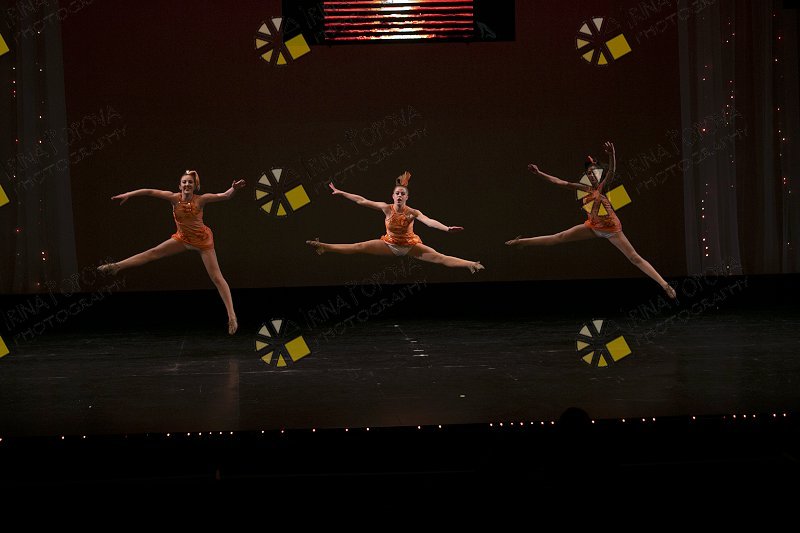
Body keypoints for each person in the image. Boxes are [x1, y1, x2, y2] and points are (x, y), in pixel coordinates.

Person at [506, 142, 676, 299]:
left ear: (599, 174)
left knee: (634, 257)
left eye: (594, 172)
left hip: (612, 230)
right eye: (589, 173)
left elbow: (612, 172)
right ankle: (522, 242)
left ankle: (665, 285)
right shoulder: (584, 188)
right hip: (593, 226)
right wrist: (539, 173)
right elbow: (559, 182)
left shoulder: (603, 186)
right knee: (559, 237)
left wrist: (612, 155)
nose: (592, 175)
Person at [97, 170, 246, 334]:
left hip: (203, 242)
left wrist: (234, 189)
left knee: (217, 278)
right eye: (184, 182)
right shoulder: (174, 198)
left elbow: (224, 196)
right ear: (180, 186)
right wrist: (129, 194)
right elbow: (150, 191)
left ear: (195, 186)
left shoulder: (201, 200)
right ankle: (116, 266)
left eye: (190, 182)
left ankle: (232, 316)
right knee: (153, 252)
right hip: (183, 239)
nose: (187, 184)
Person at [306, 171, 484, 273]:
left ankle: (471, 264)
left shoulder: (413, 212)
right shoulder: (386, 208)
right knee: (358, 246)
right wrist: (341, 192)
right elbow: (362, 200)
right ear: (393, 196)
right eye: (397, 193)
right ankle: (324, 247)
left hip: (410, 246)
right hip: (389, 244)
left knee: (440, 258)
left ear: (406, 197)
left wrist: (447, 229)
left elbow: (429, 222)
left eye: (402, 194)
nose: (399, 196)